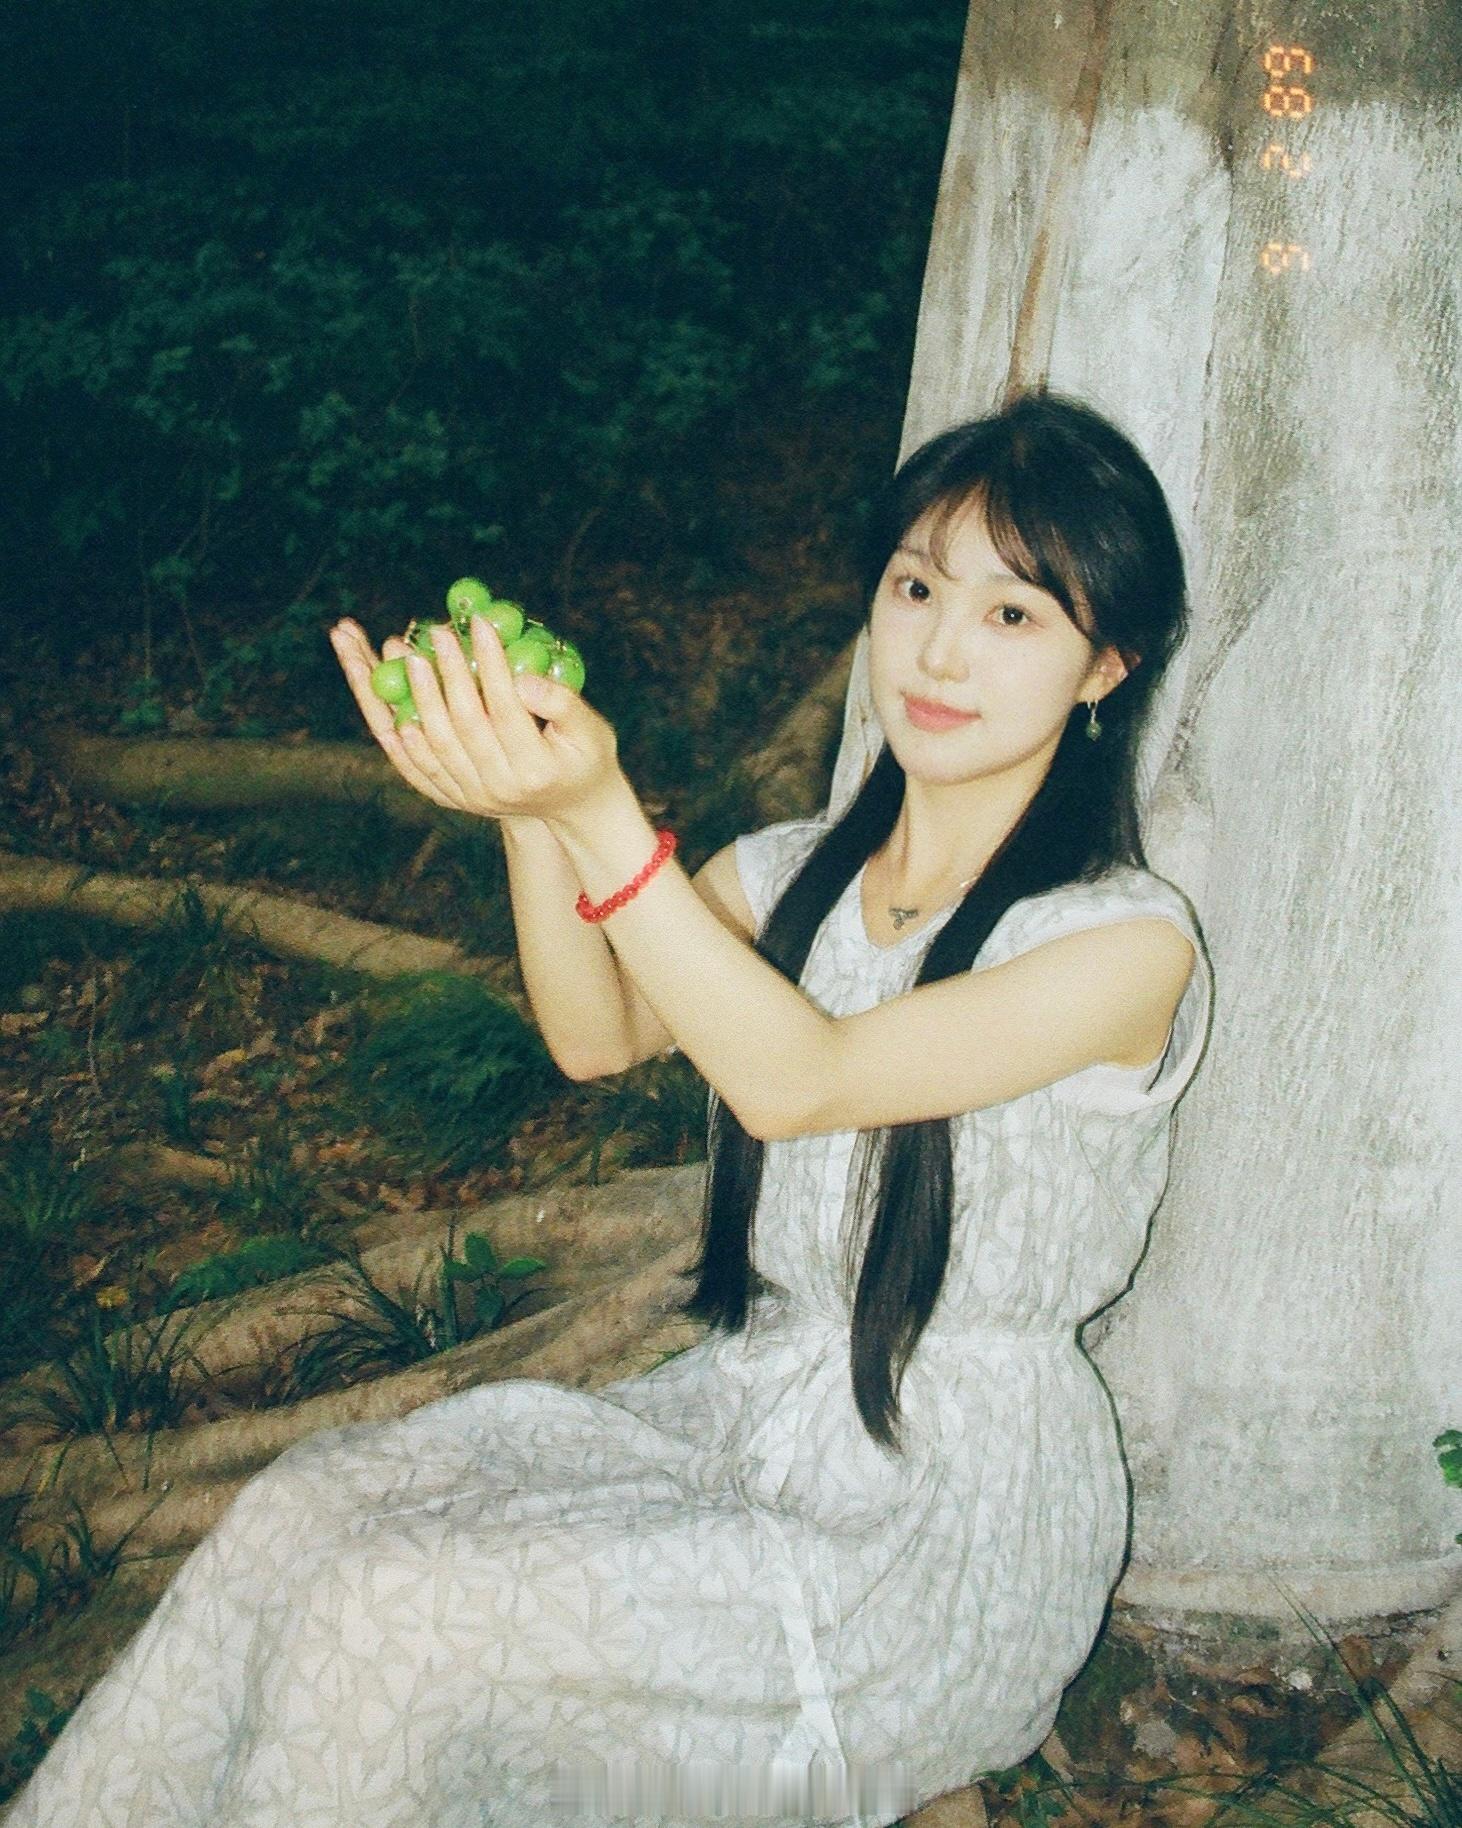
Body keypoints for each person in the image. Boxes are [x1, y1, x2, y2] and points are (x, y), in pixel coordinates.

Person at [4, 388, 1213, 1827]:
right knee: (302, 1511)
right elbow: (596, 1035)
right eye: (914, 588)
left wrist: (601, 817)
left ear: (1104, 665)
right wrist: (532, 812)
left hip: (931, 1524)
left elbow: (800, 1080)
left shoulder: (1124, 944)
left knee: (396, 1613)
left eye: (1013, 614)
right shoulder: (786, 874)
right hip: (739, 1414)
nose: (940, 650)